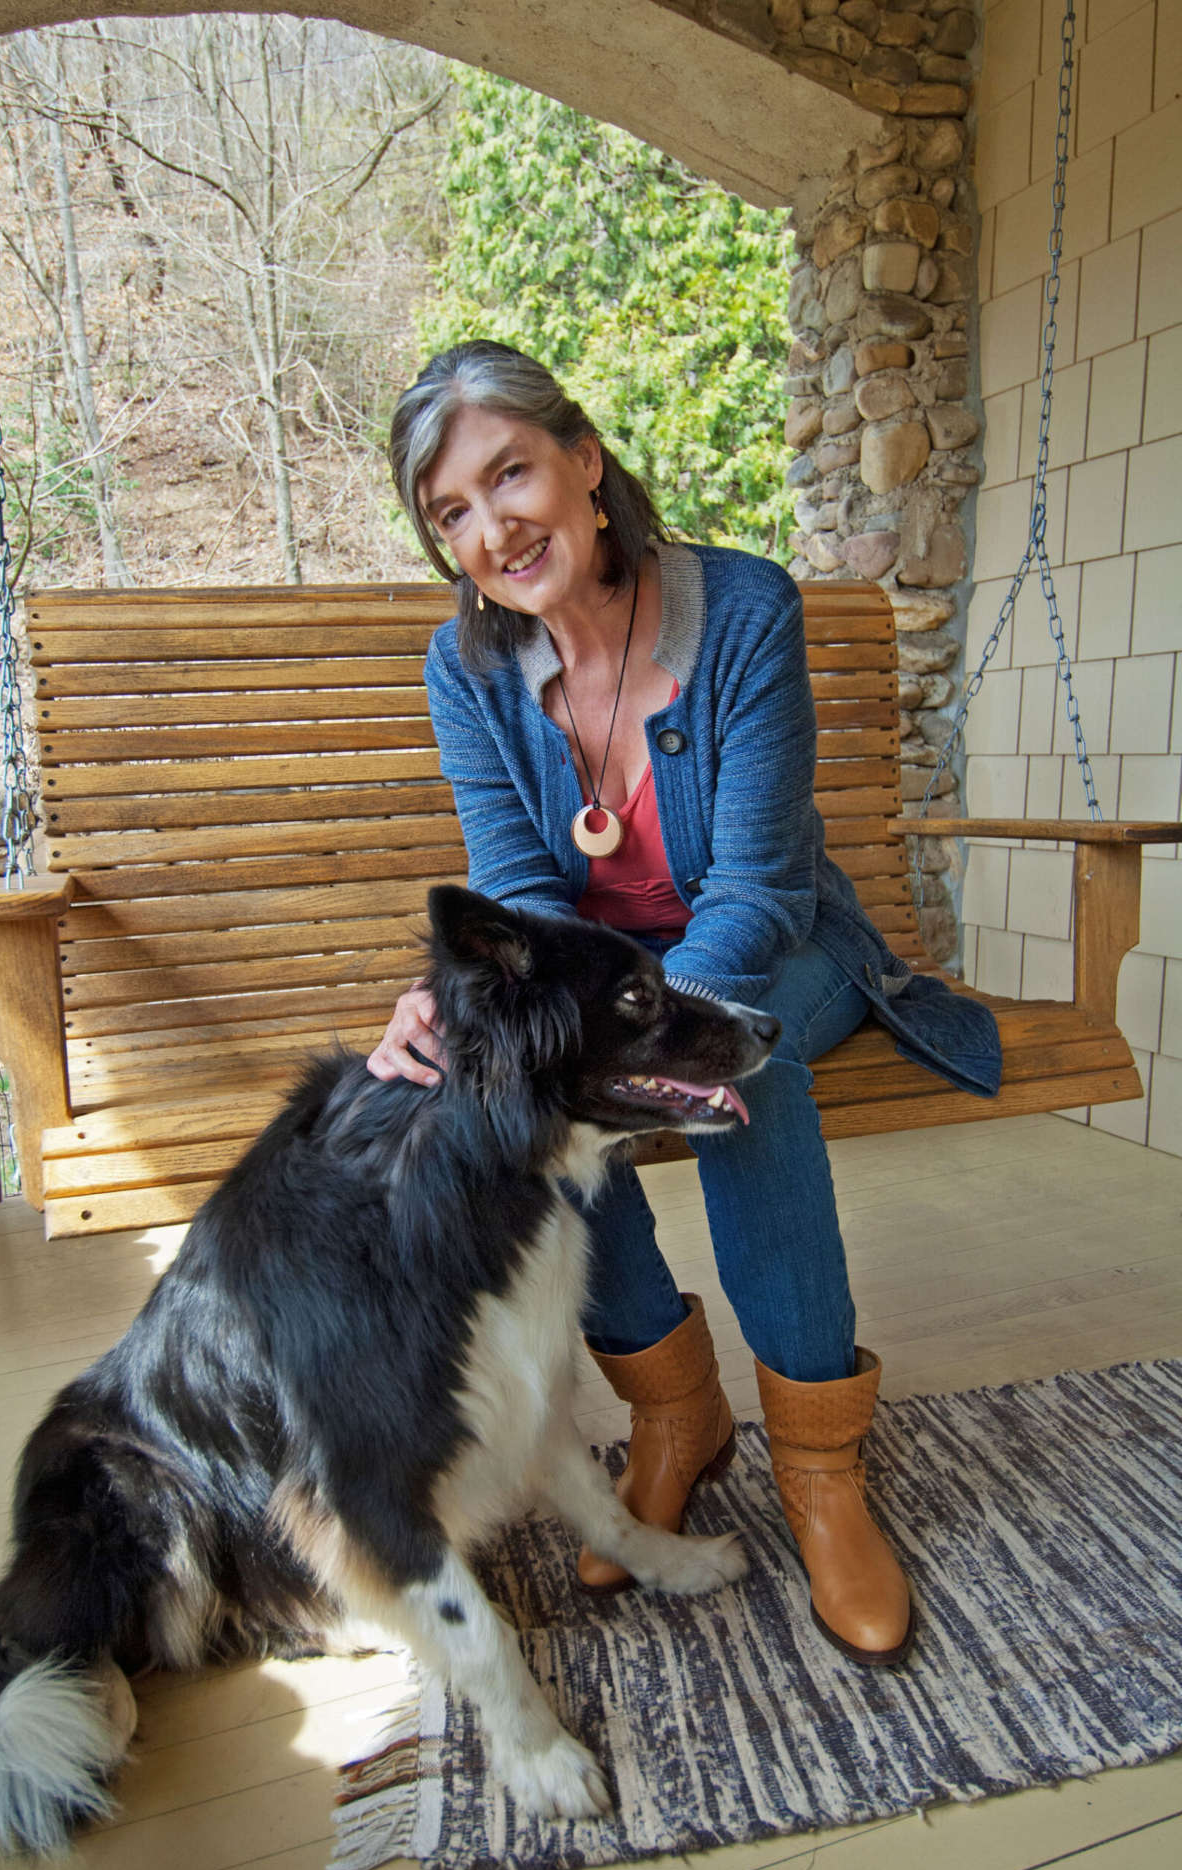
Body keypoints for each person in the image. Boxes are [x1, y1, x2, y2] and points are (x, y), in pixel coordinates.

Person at [368, 340, 1001, 1668]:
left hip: (782, 948)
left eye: (511, 475)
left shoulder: (747, 610)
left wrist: (649, 1038)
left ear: (585, 461)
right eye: (452, 513)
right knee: (541, 1092)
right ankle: (675, 1414)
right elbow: (524, 887)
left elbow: (762, 888)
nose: (491, 528)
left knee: (742, 1075)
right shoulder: (467, 669)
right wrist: (498, 1025)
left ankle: (823, 1476)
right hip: (611, 980)